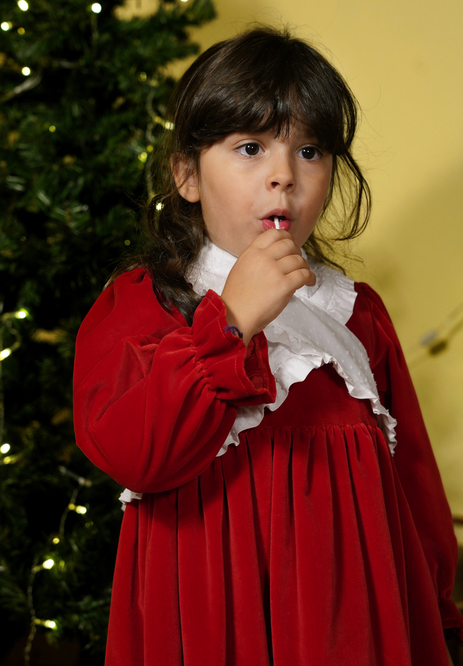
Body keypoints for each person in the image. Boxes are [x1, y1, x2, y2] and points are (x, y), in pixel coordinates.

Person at [73, 26, 463, 666]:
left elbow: (413, 483)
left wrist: (435, 619)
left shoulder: (355, 312)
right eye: (250, 147)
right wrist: (230, 323)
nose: (283, 175)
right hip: (213, 622)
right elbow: (134, 455)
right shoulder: (146, 303)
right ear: (188, 176)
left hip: (350, 622)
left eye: (309, 151)